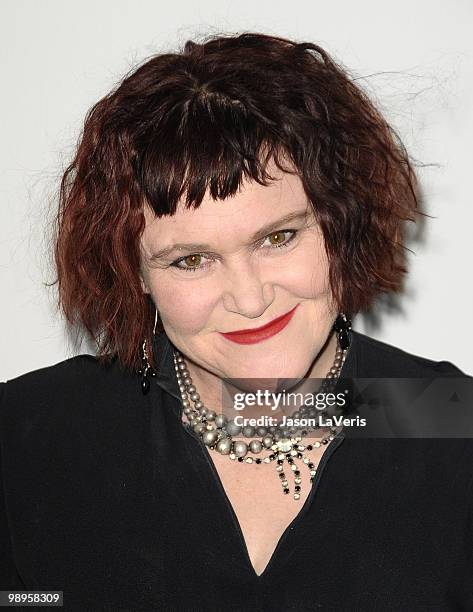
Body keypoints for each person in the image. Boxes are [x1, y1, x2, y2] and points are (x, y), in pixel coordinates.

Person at [1, 31, 471, 611]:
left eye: (278, 238)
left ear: (339, 223)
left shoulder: (454, 424)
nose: (249, 300)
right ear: (134, 273)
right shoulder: (29, 438)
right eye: (191, 260)